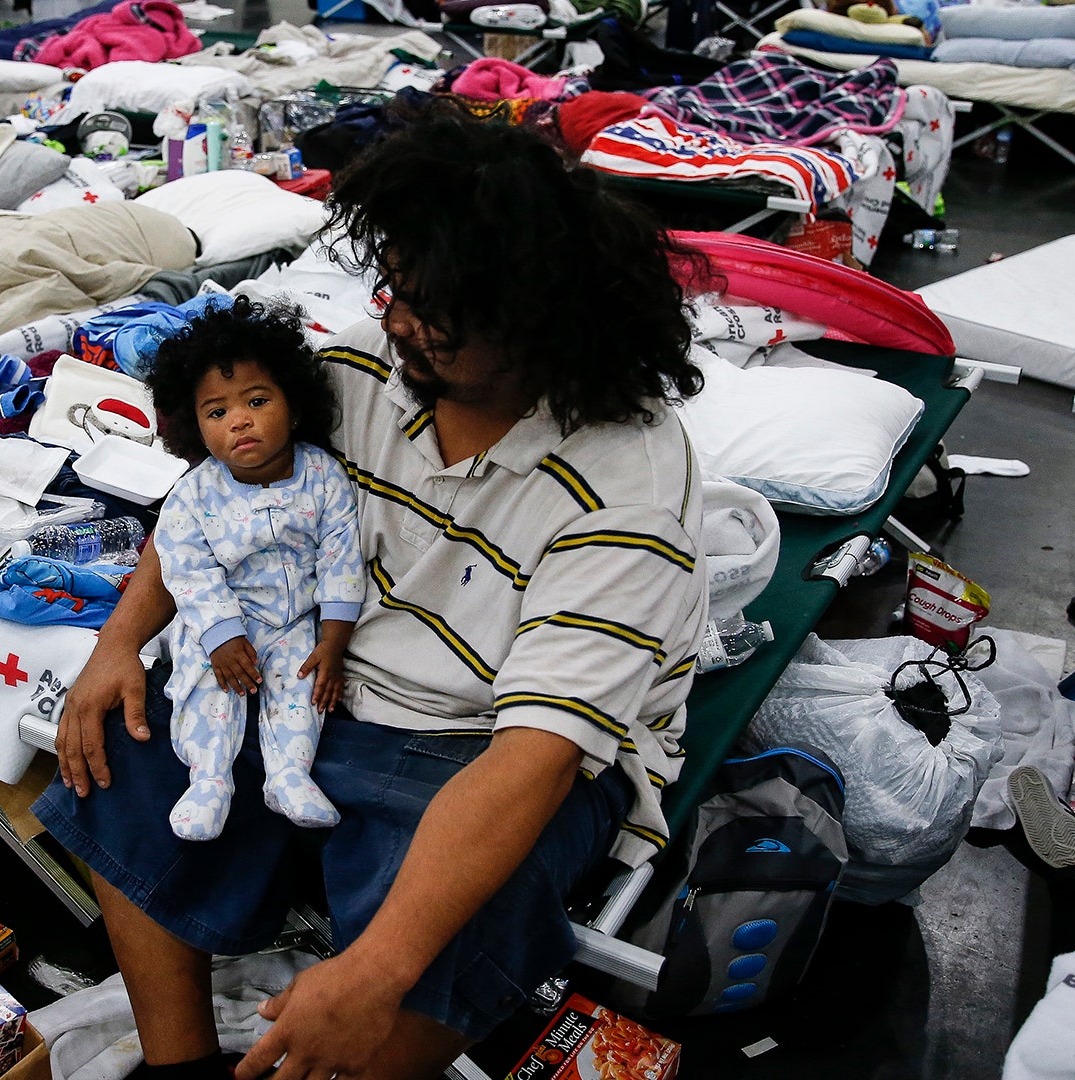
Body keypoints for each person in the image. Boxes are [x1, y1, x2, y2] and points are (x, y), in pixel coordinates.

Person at [34, 105, 708, 1080]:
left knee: (466, 914)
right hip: (329, 685)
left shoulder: (628, 484)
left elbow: (537, 760)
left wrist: (374, 974)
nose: (397, 320)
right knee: (128, 745)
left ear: (539, 326)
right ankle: (177, 1066)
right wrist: (115, 647)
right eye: (394, 286)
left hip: (488, 746)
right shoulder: (363, 366)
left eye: (434, 314)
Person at [142, 298, 365, 842]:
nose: (238, 420)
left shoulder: (324, 477)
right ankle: (208, 780)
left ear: (294, 404)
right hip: (220, 625)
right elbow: (188, 570)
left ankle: (289, 776)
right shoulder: (195, 493)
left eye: (257, 400)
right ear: (194, 427)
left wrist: (333, 642)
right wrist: (220, 635)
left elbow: (342, 558)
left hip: (295, 624)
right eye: (216, 412)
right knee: (205, 692)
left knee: (302, 691)